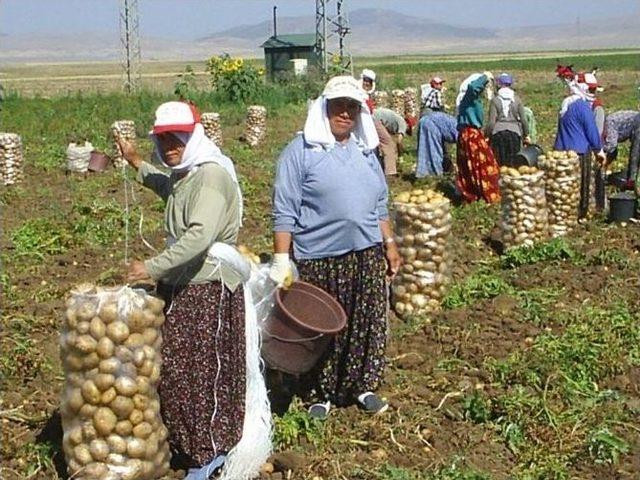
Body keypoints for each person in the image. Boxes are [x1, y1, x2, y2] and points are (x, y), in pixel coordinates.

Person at [118, 101, 271, 480]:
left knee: (205, 371)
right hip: (183, 283)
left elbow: (200, 234)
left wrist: (150, 267)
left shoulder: (211, 176)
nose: (171, 145)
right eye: (164, 138)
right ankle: (189, 442)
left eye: (178, 137)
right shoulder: (184, 174)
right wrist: (136, 161)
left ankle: (211, 451)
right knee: (178, 368)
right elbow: (165, 187)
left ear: (194, 137)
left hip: (209, 289)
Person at [270, 76, 401, 421]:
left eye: (352, 108)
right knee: (322, 327)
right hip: (319, 257)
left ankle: (362, 385)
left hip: (366, 252)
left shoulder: (364, 151)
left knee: (366, 320)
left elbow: (380, 203)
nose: (345, 113)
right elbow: (284, 209)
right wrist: (282, 259)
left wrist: (389, 243)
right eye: (338, 106)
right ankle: (320, 391)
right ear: (323, 108)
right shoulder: (300, 152)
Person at [554, 78, 606, 219]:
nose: (592, 93)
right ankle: (578, 214)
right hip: (579, 151)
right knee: (580, 185)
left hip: (561, 150)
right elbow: (592, 131)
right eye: (591, 89)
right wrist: (599, 150)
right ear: (583, 88)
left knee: (562, 185)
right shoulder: (582, 107)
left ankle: (562, 214)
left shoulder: (566, 103)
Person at [455, 72, 501, 204]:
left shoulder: (469, 100)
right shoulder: (470, 97)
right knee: (483, 165)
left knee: (470, 165)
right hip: (471, 135)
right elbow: (473, 87)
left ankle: (473, 193)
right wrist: (485, 77)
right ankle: (485, 194)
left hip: (467, 134)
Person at [486, 73, 530, 166]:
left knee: (499, 162)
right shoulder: (517, 99)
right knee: (513, 162)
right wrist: (526, 134)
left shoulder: (495, 100)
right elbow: (523, 120)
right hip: (515, 133)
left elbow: (491, 122)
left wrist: (486, 134)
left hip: (498, 134)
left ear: (499, 85)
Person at [603, 110, 640, 188]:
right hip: (612, 123)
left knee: (613, 151)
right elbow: (635, 152)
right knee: (610, 147)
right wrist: (632, 179)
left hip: (616, 123)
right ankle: (600, 170)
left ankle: (603, 171)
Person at [415, 111, 458, 177]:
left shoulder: (457, 124)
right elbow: (462, 150)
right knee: (433, 152)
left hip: (427, 121)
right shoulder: (462, 131)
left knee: (425, 150)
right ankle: (434, 174)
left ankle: (424, 173)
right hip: (431, 124)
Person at [373, 106, 408, 175]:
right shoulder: (403, 124)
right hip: (376, 119)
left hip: (372, 116)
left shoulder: (396, 121)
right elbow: (399, 141)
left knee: (375, 144)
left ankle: (377, 167)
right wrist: (400, 156)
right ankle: (390, 172)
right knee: (389, 145)